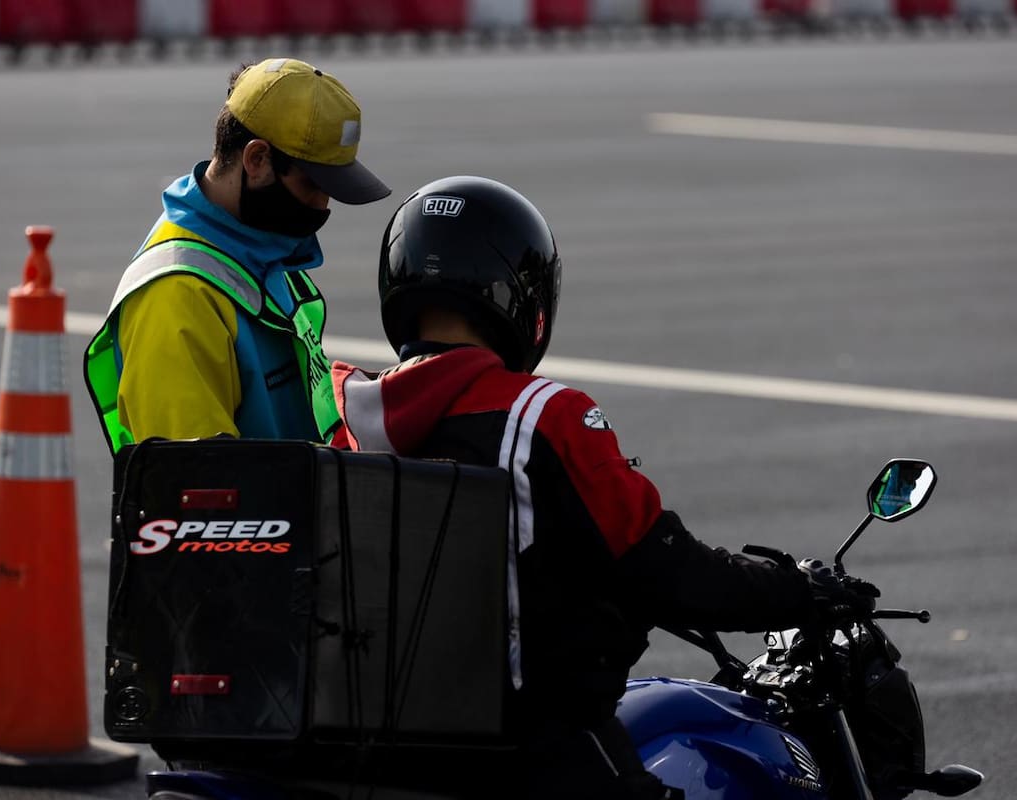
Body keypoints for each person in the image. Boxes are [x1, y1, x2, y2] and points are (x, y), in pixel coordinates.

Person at [328, 175, 877, 799]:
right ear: (520, 294)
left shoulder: (344, 417)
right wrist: (797, 592)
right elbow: (663, 568)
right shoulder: (545, 415)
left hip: (371, 745)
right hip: (529, 747)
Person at [84, 57, 391, 455]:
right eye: (313, 184)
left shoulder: (264, 250)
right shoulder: (177, 298)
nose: (323, 204)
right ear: (257, 160)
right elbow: (198, 491)